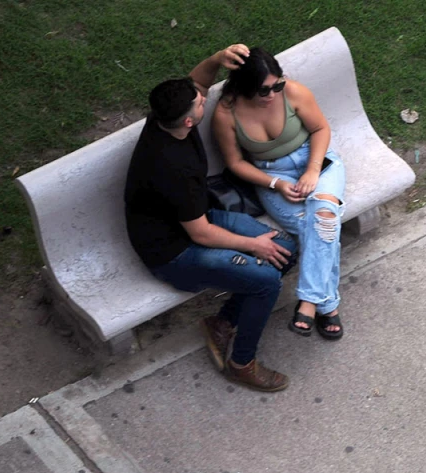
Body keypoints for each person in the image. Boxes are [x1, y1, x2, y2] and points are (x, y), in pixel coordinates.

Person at [125, 45, 297, 391]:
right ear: (190, 121)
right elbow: (201, 235)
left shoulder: (164, 119)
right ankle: (241, 363)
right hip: (175, 253)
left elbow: (197, 83)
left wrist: (218, 59)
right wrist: (253, 245)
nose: (206, 98)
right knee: (266, 279)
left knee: (285, 249)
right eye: (201, 103)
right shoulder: (173, 170)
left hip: (198, 218)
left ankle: (223, 323)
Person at [212, 46, 346, 340]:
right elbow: (235, 163)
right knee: (324, 227)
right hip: (271, 175)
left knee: (322, 218)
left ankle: (310, 301)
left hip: (318, 162)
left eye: (278, 85)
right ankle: (328, 305)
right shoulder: (226, 113)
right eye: (264, 90)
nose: (273, 94)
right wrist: (275, 184)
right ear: (244, 87)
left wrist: (312, 170)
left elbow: (321, 129)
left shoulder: (294, 93)